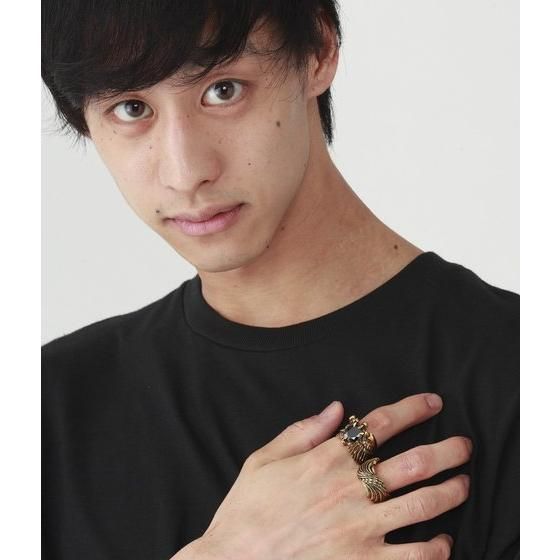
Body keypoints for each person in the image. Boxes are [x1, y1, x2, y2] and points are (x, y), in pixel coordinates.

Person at [41, 1, 519, 559]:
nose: (185, 172)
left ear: (318, 50)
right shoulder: (47, 408)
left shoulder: (520, 374)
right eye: (131, 108)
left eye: (222, 90)